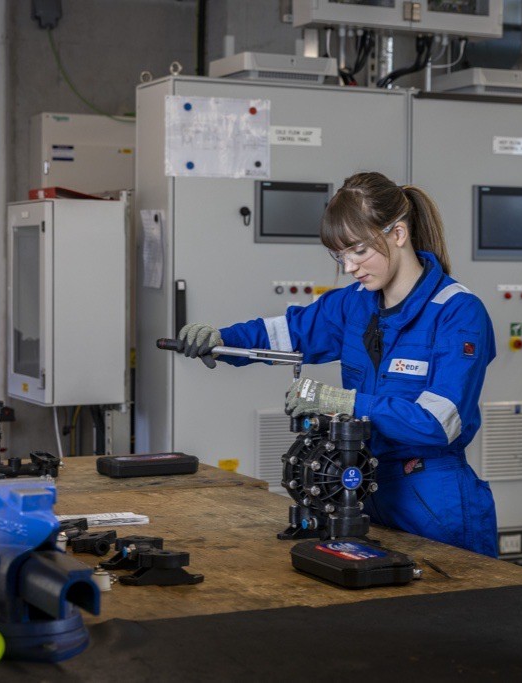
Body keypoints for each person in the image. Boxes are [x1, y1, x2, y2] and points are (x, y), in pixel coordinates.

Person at [177, 171, 498, 557]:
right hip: (365, 492)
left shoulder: (458, 312)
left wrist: (344, 402)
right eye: (340, 255)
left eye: (359, 251)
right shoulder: (354, 303)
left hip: (433, 499)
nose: (349, 267)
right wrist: (221, 340)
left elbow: (439, 422)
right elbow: (288, 332)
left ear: (398, 234)